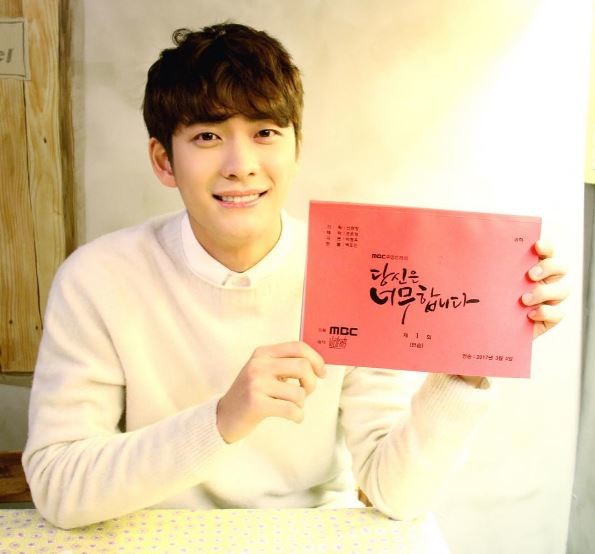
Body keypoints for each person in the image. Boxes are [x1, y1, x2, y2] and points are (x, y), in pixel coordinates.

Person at [22, 22, 568, 530]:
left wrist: (466, 366)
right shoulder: (98, 279)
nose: (241, 164)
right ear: (164, 160)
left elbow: (396, 494)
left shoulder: (354, 271)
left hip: (309, 533)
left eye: (265, 132)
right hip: (157, 533)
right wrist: (222, 419)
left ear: (296, 147)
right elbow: (57, 487)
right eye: (208, 136)